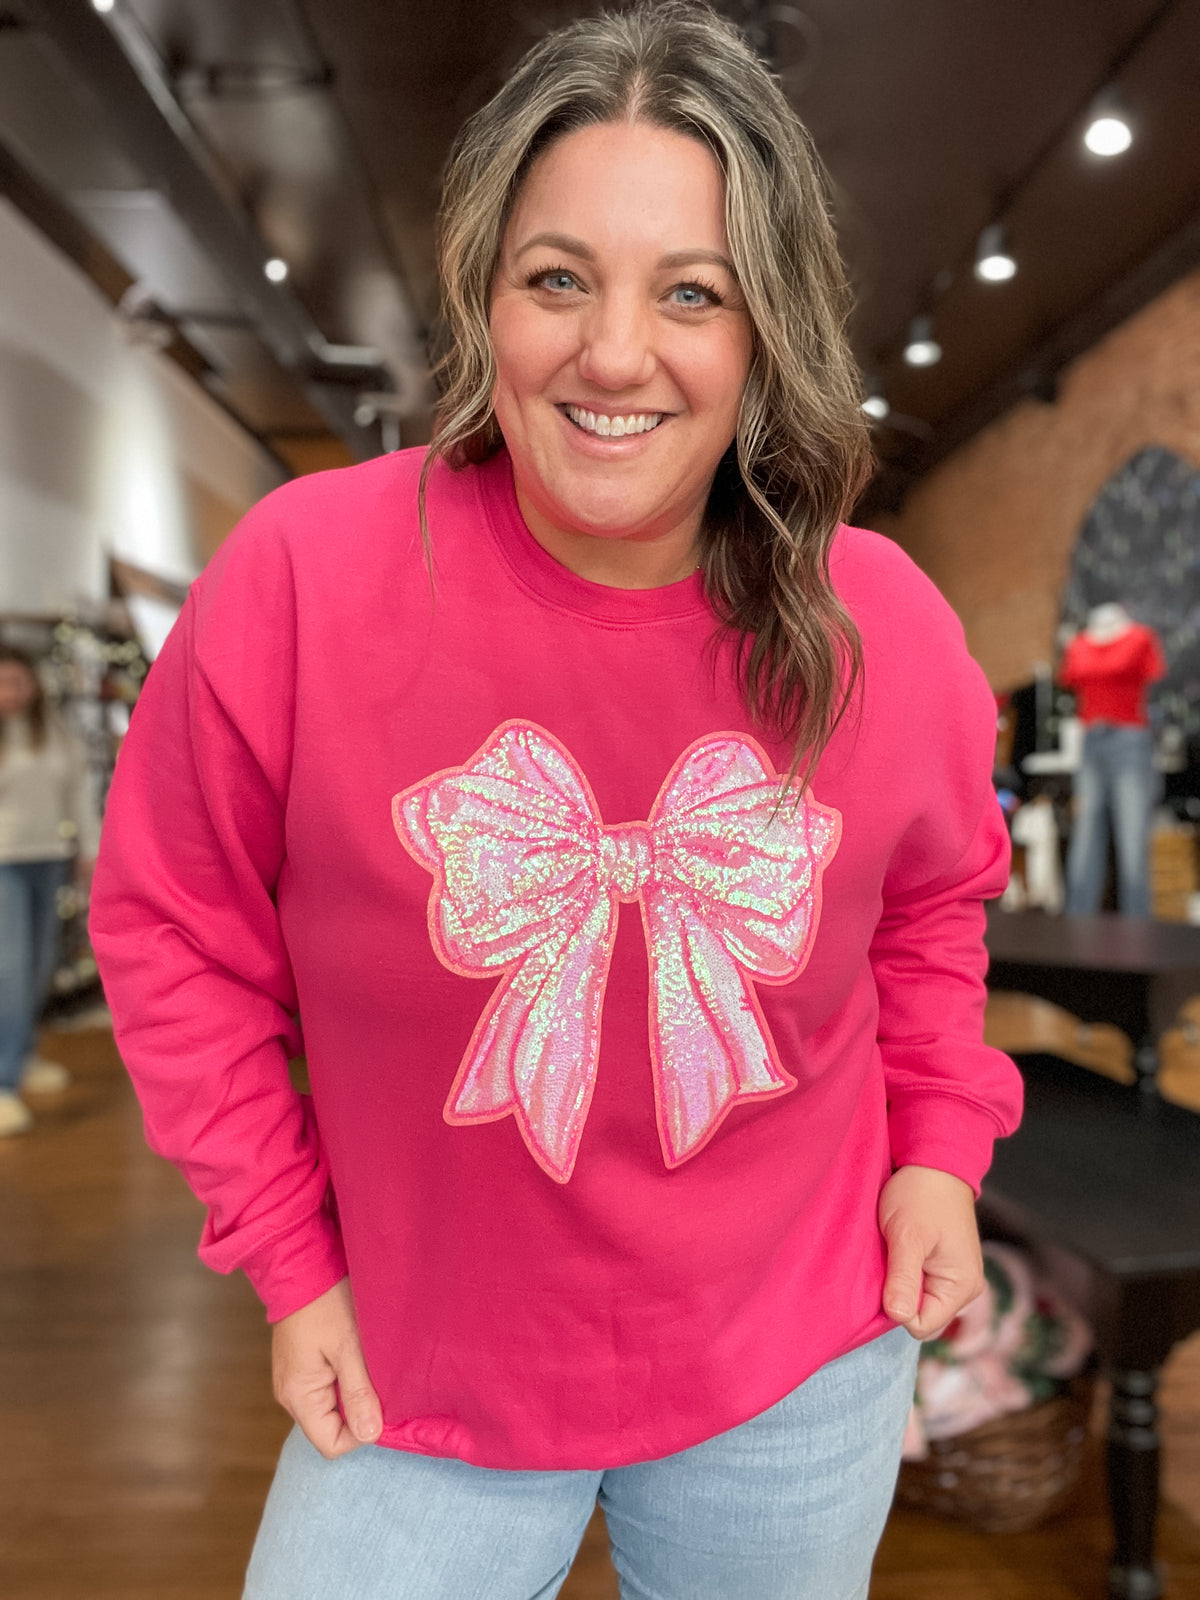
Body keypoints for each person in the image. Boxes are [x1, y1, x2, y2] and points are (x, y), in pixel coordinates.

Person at [89, 5, 1023, 1596]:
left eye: (692, 294)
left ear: (765, 330)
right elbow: (173, 930)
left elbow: (930, 907)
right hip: (410, 1376)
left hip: (796, 1367)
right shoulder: (306, 579)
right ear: (483, 295)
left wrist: (938, 1148)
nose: (612, 354)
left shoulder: (882, 621)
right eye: (558, 279)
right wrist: (289, 1258)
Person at [0, 644, 99, 1136]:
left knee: (39, 964)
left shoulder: (55, 732)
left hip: (49, 858)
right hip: (4, 864)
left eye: (17, 682)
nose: (10, 693)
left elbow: (78, 790)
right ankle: (3, 1080)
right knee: (10, 969)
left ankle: (22, 1054)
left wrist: (89, 847)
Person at [1059, 602, 1166, 916]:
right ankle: (1076, 925)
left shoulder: (1140, 638)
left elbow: (1151, 676)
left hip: (1130, 738)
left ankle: (1139, 926)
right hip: (1091, 739)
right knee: (1086, 832)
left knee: (1132, 835)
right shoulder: (1078, 644)